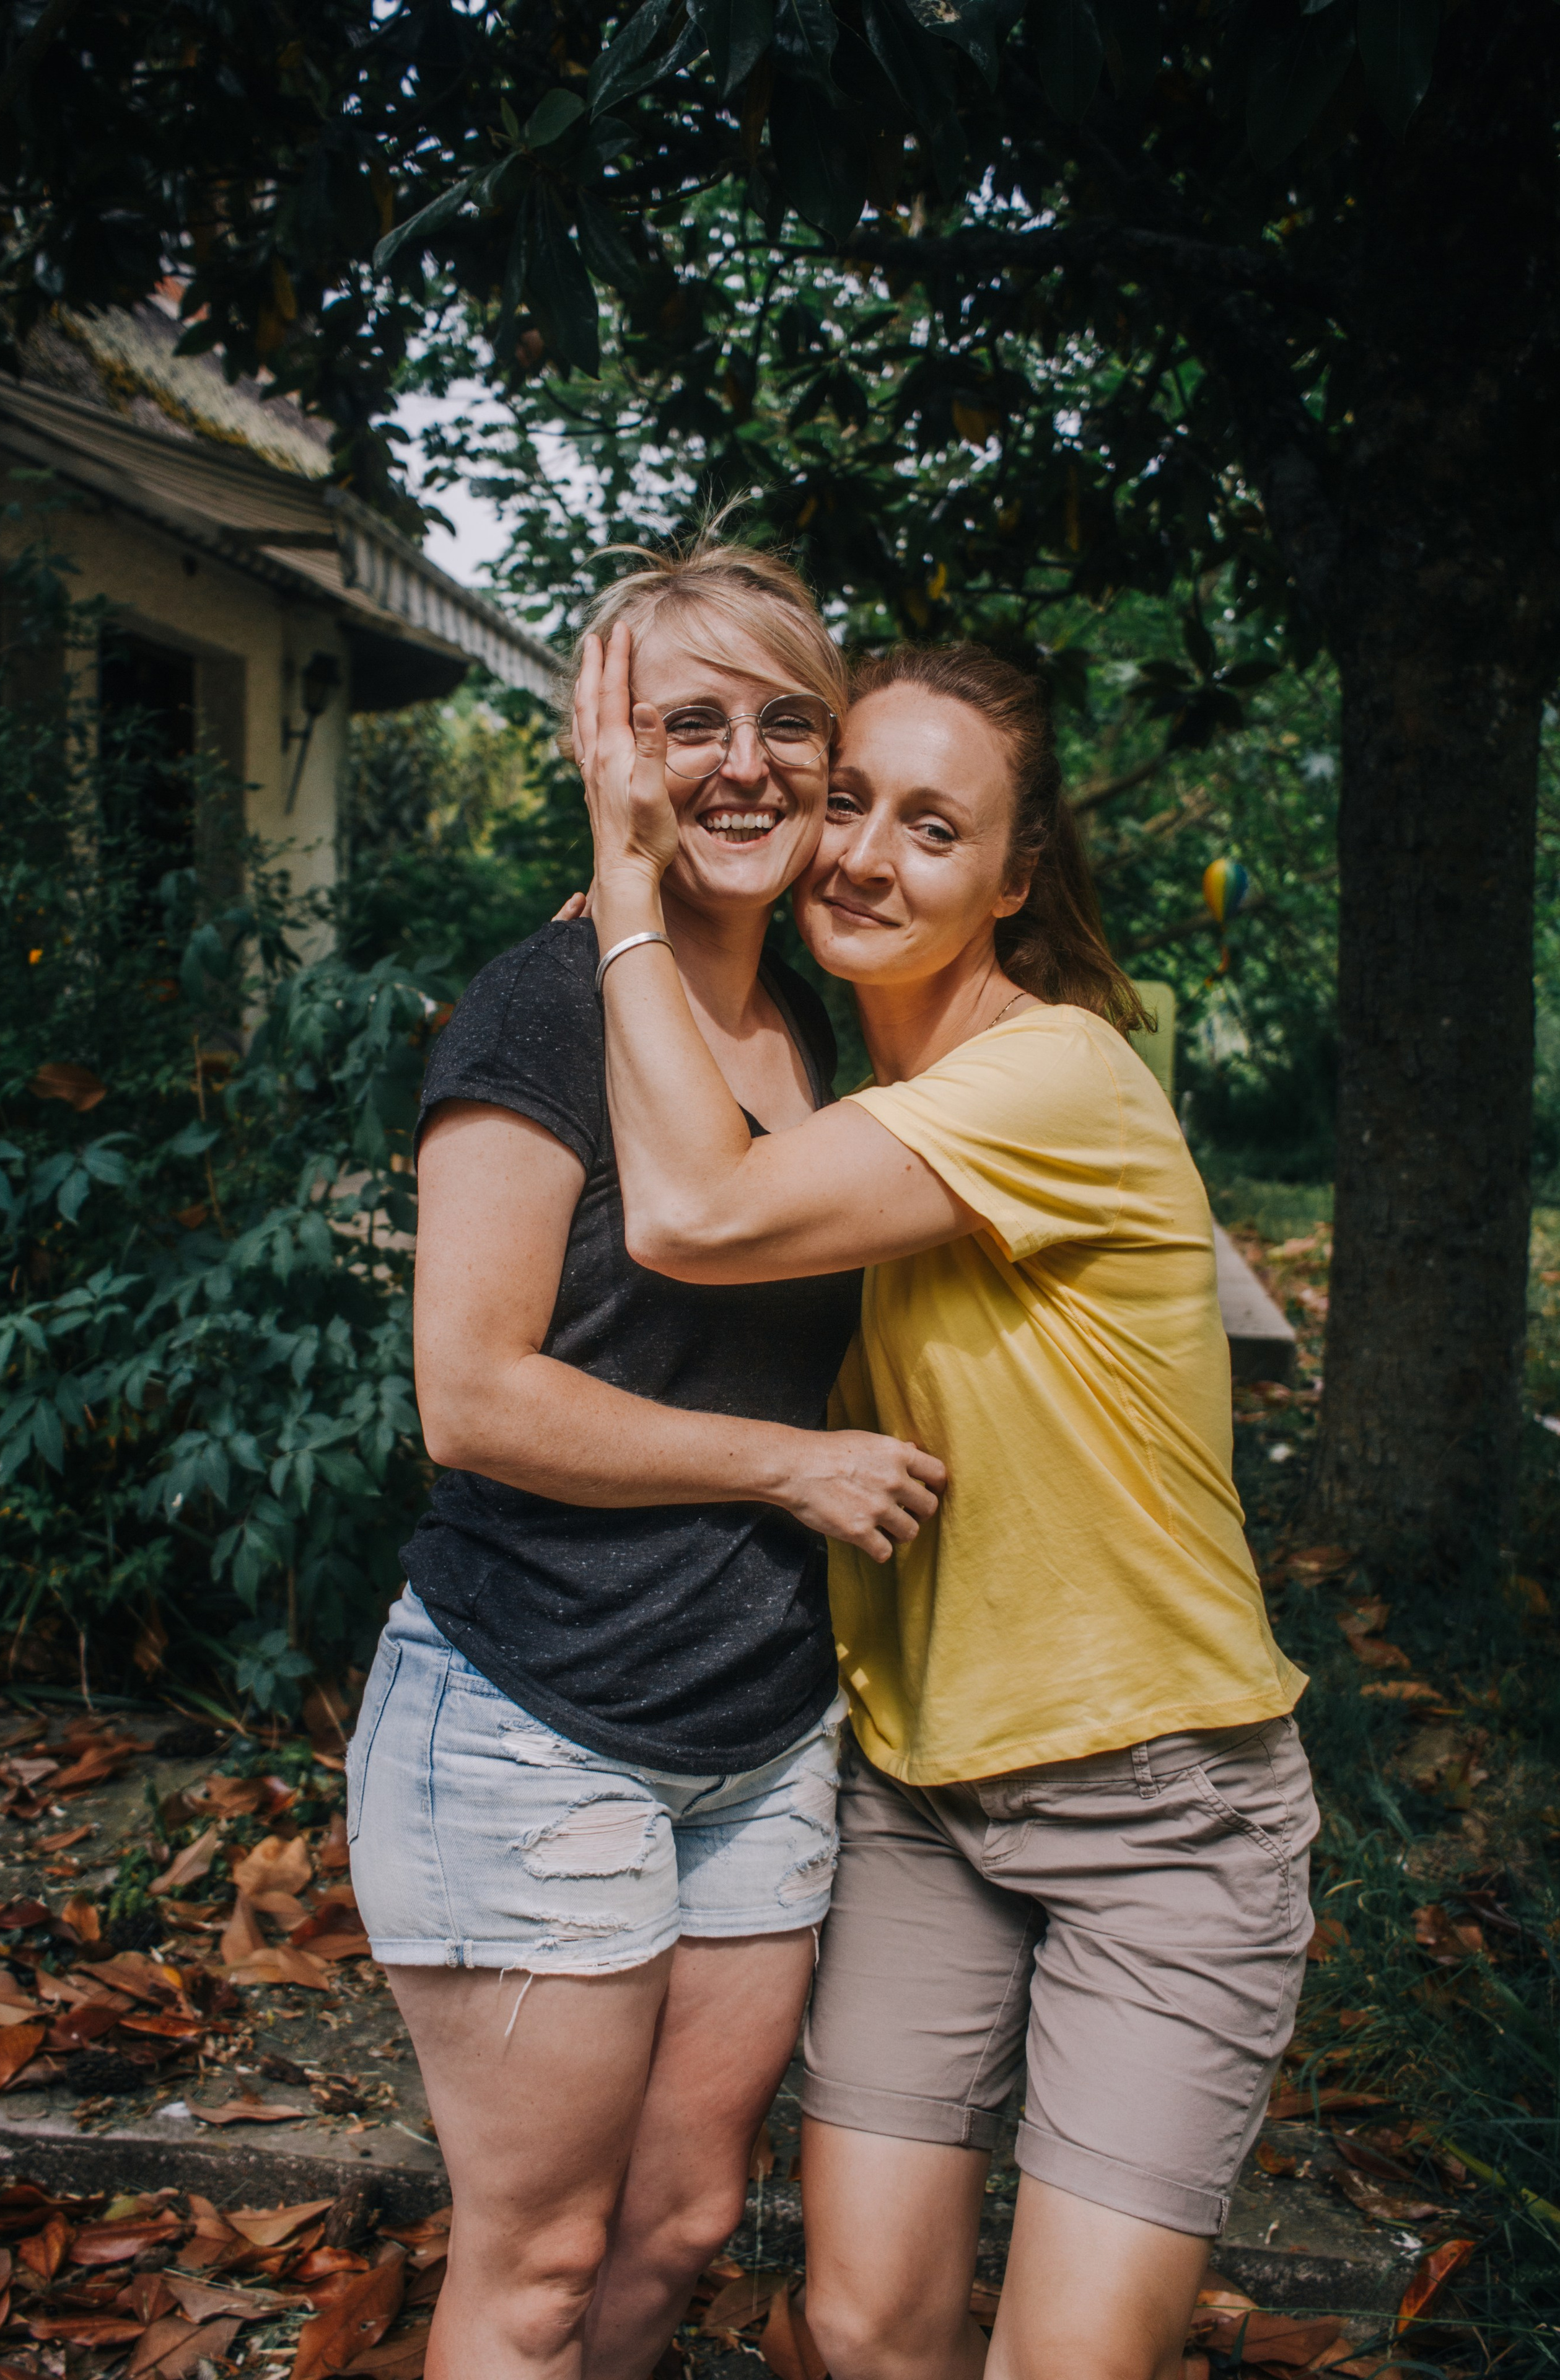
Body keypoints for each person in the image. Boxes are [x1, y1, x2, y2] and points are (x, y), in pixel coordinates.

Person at [573, 628, 1315, 2380]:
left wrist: (626, 878)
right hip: (921, 1789)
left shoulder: (1055, 1078)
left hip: (1160, 1807)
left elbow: (692, 1214)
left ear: (1012, 877)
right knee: (864, 2322)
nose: (863, 855)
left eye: (932, 825)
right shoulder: (855, 1095)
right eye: (844, 802)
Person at [346, 538, 945, 2380]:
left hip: (758, 1734)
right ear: (604, 751)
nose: (747, 765)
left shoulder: (806, 1019)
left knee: (679, 2225)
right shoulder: (540, 1006)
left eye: (789, 721)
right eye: (692, 723)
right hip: (538, 1718)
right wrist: (788, 1467)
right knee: (536, 2266)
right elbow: (474, 1396)